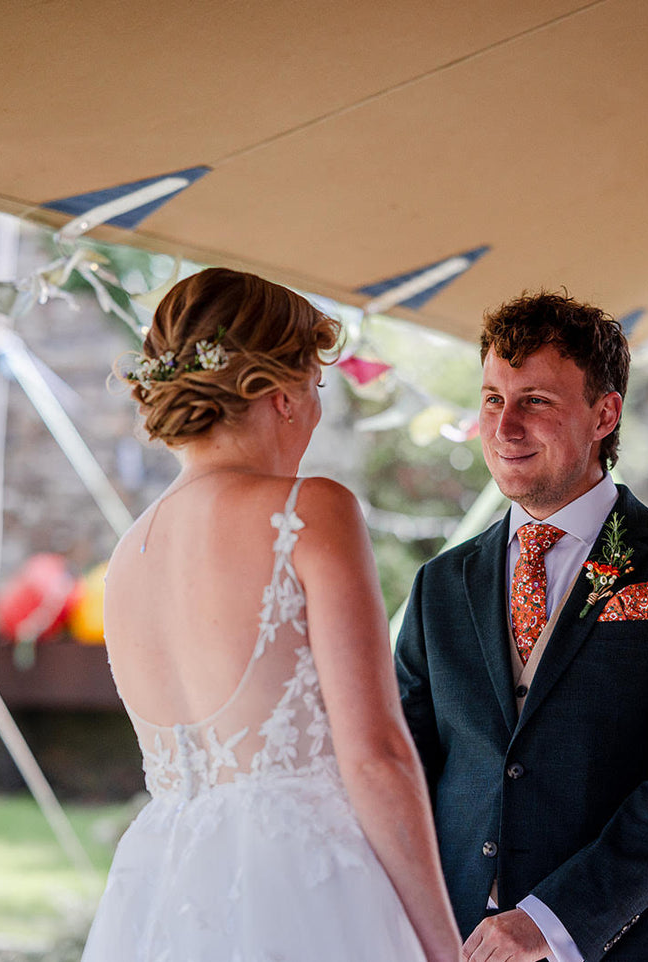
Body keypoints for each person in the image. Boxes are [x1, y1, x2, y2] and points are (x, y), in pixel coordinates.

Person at [81, 267, 461, 962]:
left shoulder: (128, 552)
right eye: (317, 387)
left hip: (163, 895)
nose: (315, 412)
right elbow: (375, 756)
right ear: (280, 394)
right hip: (305, 890)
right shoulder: (310, 511)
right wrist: (445, 949)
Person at [395, 291, 648, 962]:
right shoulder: (438, 586)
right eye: (493, 400)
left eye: (534, 401)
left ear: (603, 413)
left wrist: (547, 921)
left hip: (621, 945)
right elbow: (406, 765)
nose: (503, 429)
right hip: (453, 944)